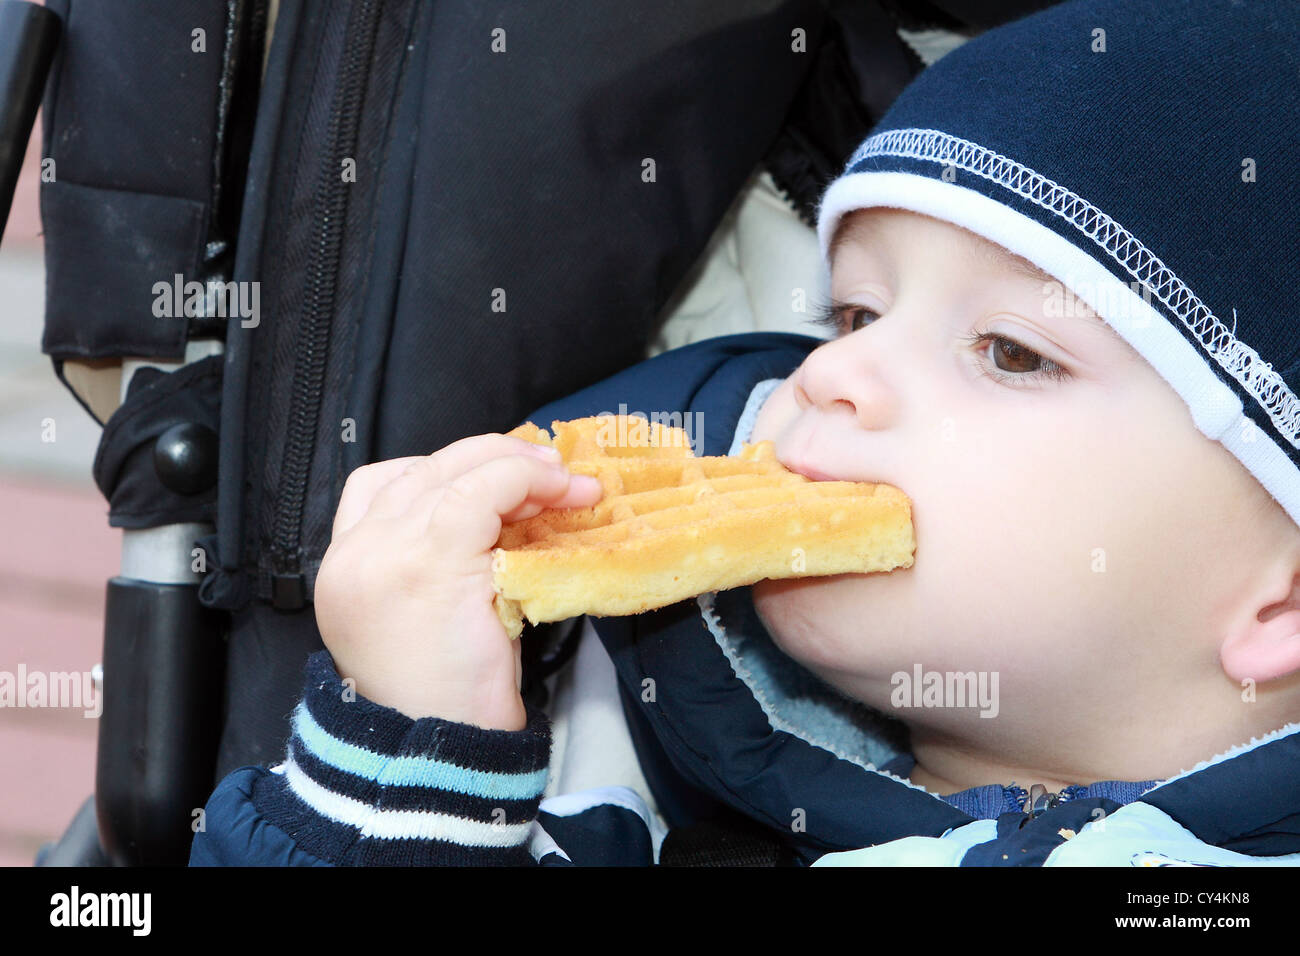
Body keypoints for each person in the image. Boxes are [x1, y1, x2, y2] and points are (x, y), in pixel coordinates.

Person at [190, 0, 1300, 866]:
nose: (831, 372)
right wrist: (411, 757)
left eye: (1011, 351)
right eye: (856, 313)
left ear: (1281, 599)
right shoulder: (602, 803)